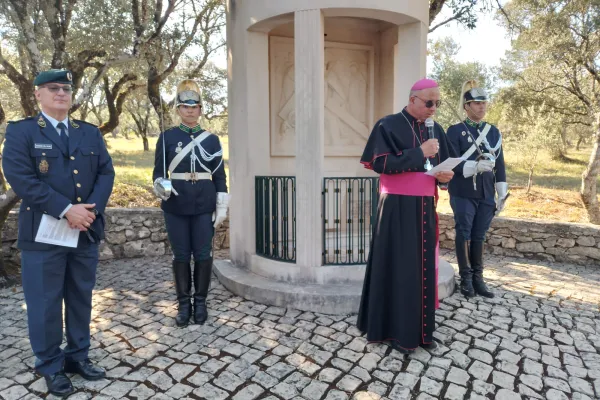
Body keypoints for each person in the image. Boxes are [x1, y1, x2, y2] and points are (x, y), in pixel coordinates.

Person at [2, 69, 114, 397]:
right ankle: (50, 365)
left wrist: (89, 210)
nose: (62, 93)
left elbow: (106, 171)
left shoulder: (88, 133)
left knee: (80, 297)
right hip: (43, 235)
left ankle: (78, 356)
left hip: (84, 232)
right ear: (38, 94)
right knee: (45, 302)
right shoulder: (21, 132)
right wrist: (68, 210)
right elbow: (21, 178)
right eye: (53, 88)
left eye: (66, 88)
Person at [357, 78, 456, 354]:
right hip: (395, 209)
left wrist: (445, 178)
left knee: (422, 269)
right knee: (399, 268)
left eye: (437, 103)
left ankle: (422, 333)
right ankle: (396, 333)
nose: (433, 108)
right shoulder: (387, 124)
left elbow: (442, 167)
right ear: (413, 99)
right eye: (429, 102)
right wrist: (418, 153)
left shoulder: (436, 129)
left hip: (424, 208)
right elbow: (379, 163)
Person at [152, 79, 228, 327]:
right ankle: (184, 304)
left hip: (204, 203)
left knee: (203, 254)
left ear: (201, 109)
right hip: (176, 204)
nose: (190, 110)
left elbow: (219, 175)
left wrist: (222, 202)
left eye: (195, 106)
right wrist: (161, 186)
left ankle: (201, 302)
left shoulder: (211, 140)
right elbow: (158, 173)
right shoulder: (167, 137)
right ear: (178, 109)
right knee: (181, 255)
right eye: (185, 106)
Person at [447, 80, 508, 299]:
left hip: (486, 192)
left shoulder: (492, 132)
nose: (482, 107)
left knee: (479, 235)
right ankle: (465, 278)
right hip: (463, 191)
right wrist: (473, 166)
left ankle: (478, 279)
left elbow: (499, 163)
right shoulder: (454, 131)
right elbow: (451, 161)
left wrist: (502, 190)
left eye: (484, 103)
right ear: (466, 106)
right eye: (476, 103)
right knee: (464, 233)